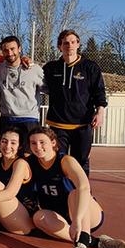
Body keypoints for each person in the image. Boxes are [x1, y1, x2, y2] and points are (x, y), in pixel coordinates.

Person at [27, 127, 125, 248]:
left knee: (75, 193)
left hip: (86, 213)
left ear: (52, 142)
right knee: (38, 218)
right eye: (33, 143)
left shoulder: (65, 161)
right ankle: (95, 242)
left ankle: (81, 246)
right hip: (61, 217)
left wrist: (76, 221)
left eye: (42, 142)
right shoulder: (31, 162)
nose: (38, 147)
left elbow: (84, 187)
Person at [42, 29, 107, 175]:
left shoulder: (90, 67)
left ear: (78, 44)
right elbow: (34, 77)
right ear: (60, 46)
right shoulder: (51, 68)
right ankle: (60, 194)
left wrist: (100, 112)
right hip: (57, 124)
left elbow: (99, 92)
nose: (69, 45)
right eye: (65, 43)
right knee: (58, 161)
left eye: (73, 42)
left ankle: (83, 194)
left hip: (82, 124)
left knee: (81, 162)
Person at [0, 36, 44, 152]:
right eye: (6, 50)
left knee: (29, 155)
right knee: (7, 155)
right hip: (7, 119)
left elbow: (49, 89)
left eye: (13, 49)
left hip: (29, 119)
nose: (10, 53)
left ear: (19, 48)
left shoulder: (34, 69)